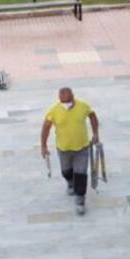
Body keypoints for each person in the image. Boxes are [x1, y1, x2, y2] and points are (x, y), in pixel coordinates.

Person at [40, 87, 99, 216]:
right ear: (59, 99)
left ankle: (80, 200)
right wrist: (43, 146)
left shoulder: (83, 106)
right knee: (66, 171)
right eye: (63, 102)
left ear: (73, 97)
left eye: (68, 101)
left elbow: (93, 116)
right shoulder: (54, 111)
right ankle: (70, 182)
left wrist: (95, 134)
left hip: (82, 147)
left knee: (81, 173)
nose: (66, 104)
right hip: (64, 149)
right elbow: (46, 128)